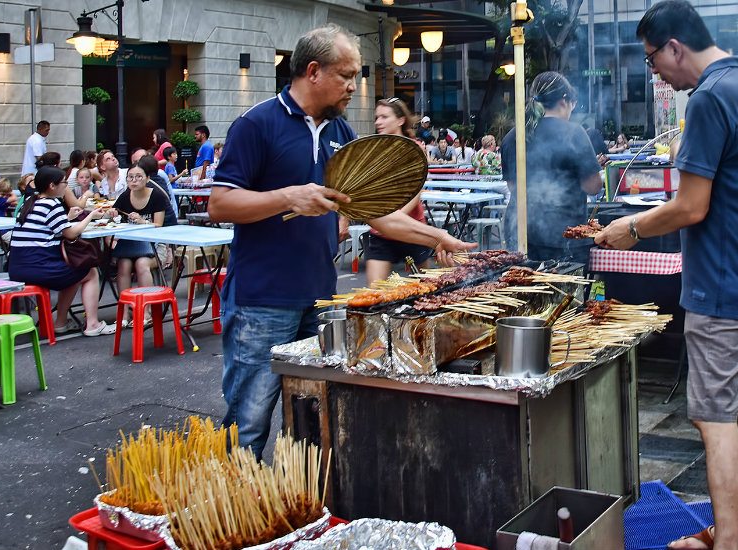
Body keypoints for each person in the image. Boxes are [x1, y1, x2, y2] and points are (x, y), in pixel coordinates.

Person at [207, 24, 475, 460]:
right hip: (261, 300)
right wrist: (288, 196)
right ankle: (233, 513)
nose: (355, 85)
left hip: (320, 300)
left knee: (315, 421)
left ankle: (304, 510)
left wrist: (437, 235)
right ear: (313, 72)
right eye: (347, 75)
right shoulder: (256, 124)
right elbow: (220, 203)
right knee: (250, 422)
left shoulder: (341, 133)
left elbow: (377, 216)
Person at [594, 2, 738, 549]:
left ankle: (727, 545)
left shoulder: (709, 97)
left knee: (713, 420)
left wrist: (630, 227)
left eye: (654, 58)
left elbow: (690, 206)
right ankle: (735, 534)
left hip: (724, 287)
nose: (655, 72)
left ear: (675, 46)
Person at [500, 71, 603, 261]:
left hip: (520, 231)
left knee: (522, 285)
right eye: (572, 106)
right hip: (562, 234)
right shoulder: (574, 133)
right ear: (564, 101)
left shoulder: (513, 135)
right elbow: (593, 186)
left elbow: (514, 187)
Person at [9, 166, 116, 337]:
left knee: (74, 269)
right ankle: (93, 324)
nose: (65, 186)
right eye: (63, 183)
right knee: (90, 271)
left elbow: (49, 226)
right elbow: (71, 233)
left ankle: (61, 322)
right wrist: (91, 216)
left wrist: (68, 218)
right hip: (40, 268)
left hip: (17, 268)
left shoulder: (30, 202)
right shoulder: (51, 204)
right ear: (52, 185)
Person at [364, 97, 433, 283]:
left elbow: (416, 189)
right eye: (377, 117)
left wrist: (396, 218)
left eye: (384, 117)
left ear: (400, 120)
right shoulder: (373, 149)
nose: (378, 122)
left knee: (425, 289)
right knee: (374, 293)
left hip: (411, 226)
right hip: (381, 232)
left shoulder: (415, 148)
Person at [110, 164, 169, 326]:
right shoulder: (124, 196)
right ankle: (125, 312)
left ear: (147, 179)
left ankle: (145, 311)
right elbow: (113, 217)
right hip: (131, 246)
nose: (134, 180)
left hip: (156, 246)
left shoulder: (157, 196)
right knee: (123, 264)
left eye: (138, 176)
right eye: (130, 177)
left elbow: (159, 226)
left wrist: (143, 221)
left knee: (142, 264)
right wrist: (111, 214)